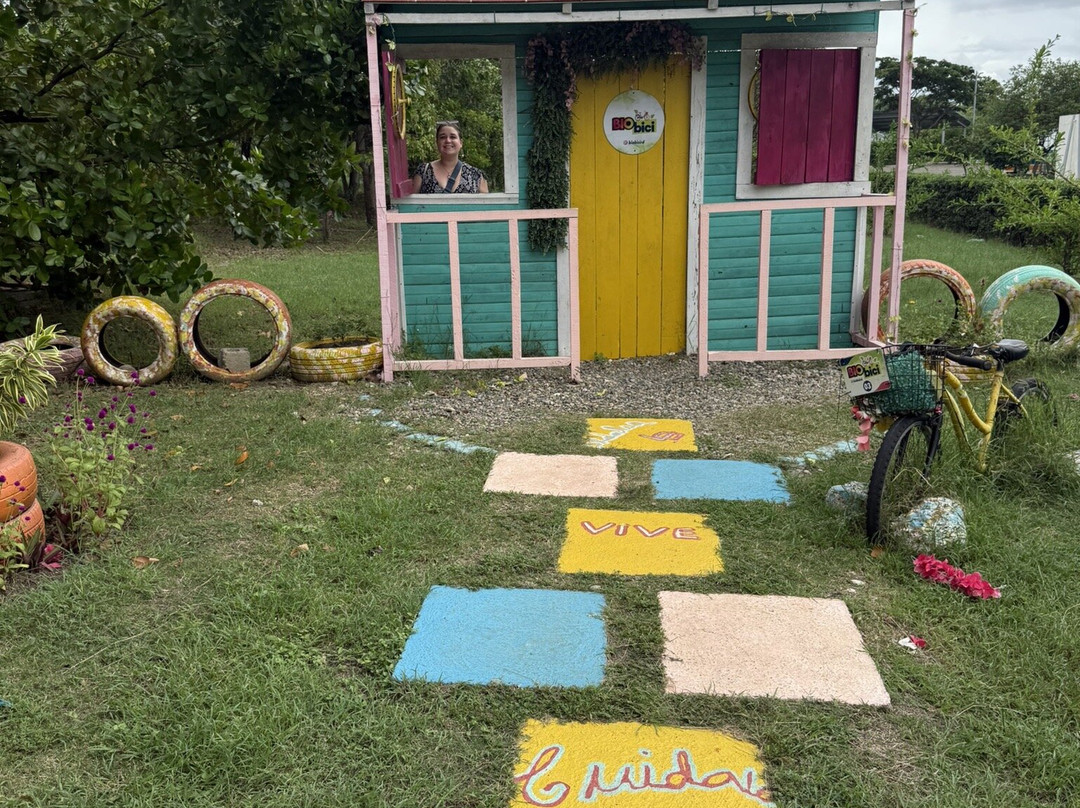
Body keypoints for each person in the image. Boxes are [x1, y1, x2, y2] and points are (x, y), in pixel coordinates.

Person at [411, 120, 489, 194]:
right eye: (442, 137)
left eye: (453, 137)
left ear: (461, 143)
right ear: (437, 142)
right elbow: (411, 205)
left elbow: (486, 206)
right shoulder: (423, 172)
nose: (448, 140)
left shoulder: (476, 176)